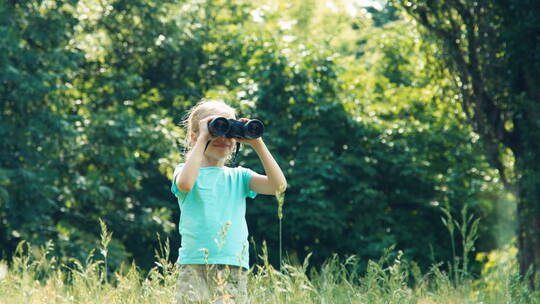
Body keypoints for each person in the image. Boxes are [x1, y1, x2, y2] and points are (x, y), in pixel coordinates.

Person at [171, 99, 287, 304]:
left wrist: (257, 143)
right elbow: (186, 185)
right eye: (216, 128)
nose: (223, 137)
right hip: (193, 265)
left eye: (229, 129)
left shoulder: (240, 177)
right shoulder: (184, 171)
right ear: (194, 136)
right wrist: (204, 137)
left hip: (232, 265)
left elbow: (278, 187)